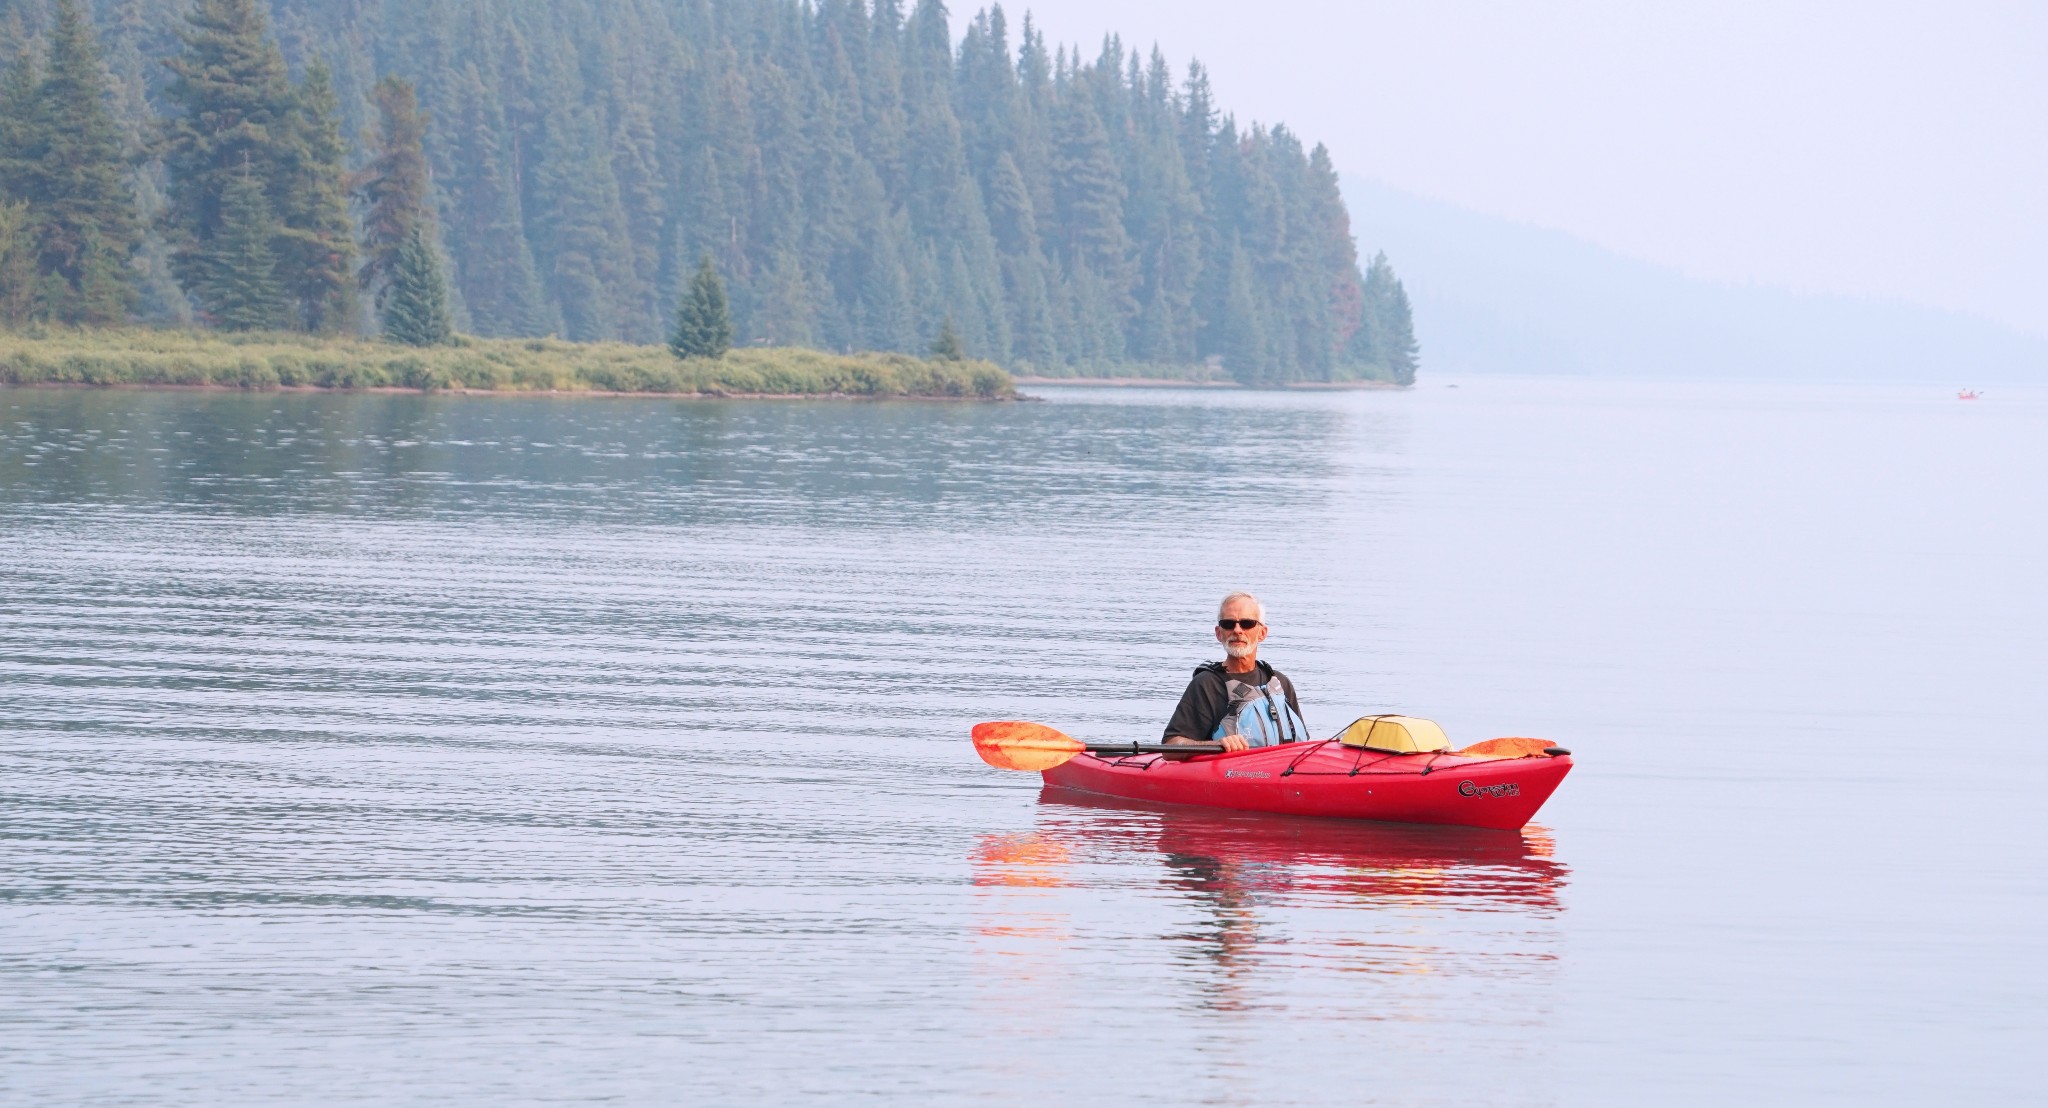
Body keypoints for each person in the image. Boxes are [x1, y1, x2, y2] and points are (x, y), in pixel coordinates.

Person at [1162, 592, 1310, 754]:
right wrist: (1216, 745)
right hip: (1234, 775)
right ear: (1219, 633)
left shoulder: (1280, 683)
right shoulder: (1207, 685)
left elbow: (1304, 744)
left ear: (1262, 633)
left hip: (1284, 771)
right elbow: (1170, 748)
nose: (1237, 630)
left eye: (1247, 623)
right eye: (1228, 624)